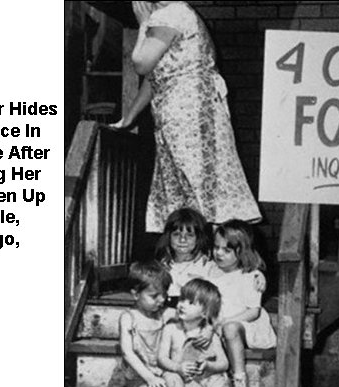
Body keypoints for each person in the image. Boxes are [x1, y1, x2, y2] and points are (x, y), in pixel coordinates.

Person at [110, 1, 261, 230]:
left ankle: (207, 252)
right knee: (194, 186)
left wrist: (143, 25)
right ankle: (197, 251)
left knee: (197, 185)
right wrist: (129, 116)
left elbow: (141, 64)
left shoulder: (170, 15)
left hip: (188, 114)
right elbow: (156, 78)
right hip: (188, 112)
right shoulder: (180, 13)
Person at [159, 278, 256, 387]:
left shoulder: (209, 335)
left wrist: (209, 366)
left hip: (211, 377)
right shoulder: (171, 329)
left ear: (205, 313)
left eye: (190, 303)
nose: (181, 305)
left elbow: (224, 363)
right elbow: (162, 359)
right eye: (181, 300)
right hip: (189, 378)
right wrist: (178, 368)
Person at [209, 220, 276, 387]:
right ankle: (217, 376)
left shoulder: (249, 276)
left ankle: (239, 378)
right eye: (216, 247)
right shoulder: (211, 270)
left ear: (242, 251)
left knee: (229, 328)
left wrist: (228, 321)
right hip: (218, 324)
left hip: (245, 326)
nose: (219, 253)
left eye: (227, 250)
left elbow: (253, 312)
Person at [112, 261, 175, 387]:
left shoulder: (164, 315)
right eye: (154, 295)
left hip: (160, 372)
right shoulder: (129, 318)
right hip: (139, 375)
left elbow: (194, 313)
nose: (161, 300)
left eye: (164, 294)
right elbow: (127, 352)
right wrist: (149, 378)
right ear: (135, 293)